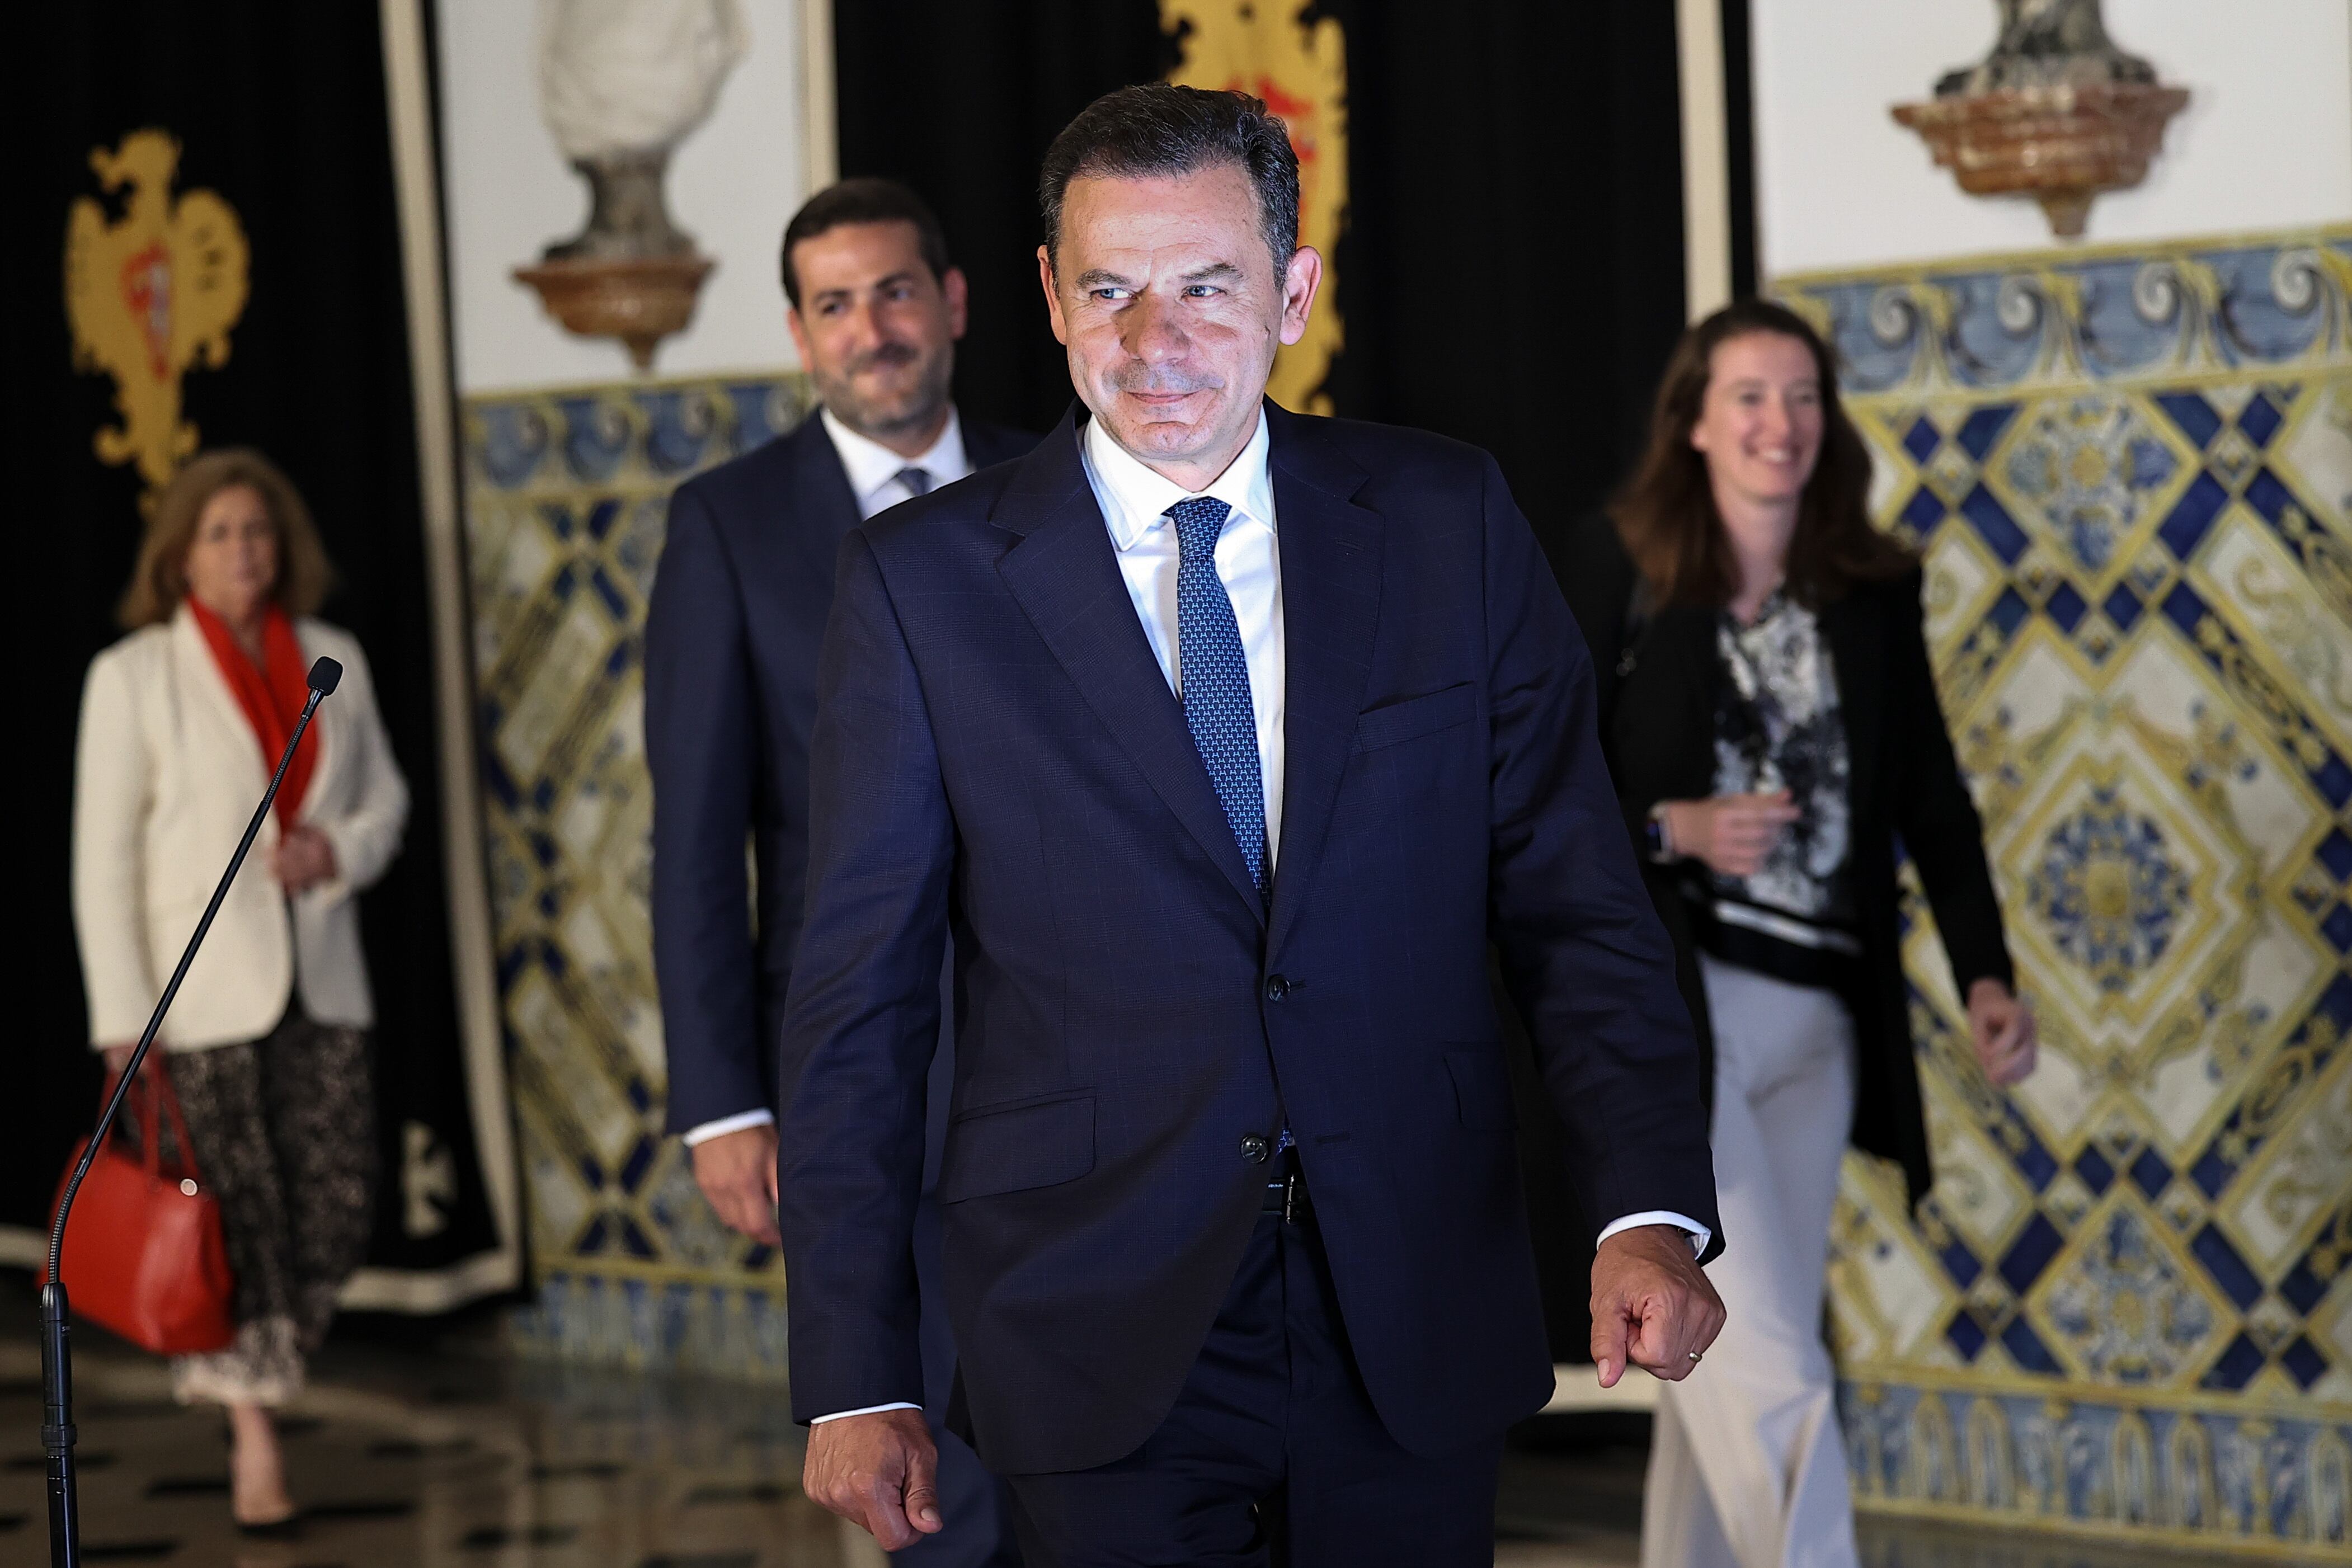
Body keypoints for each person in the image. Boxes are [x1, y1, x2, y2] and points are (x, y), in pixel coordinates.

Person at [778, 84, 1727, 1567]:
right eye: (1110, 288)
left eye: (1208, 287)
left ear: (1293, 293)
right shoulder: (920, 584)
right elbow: (858, 1001)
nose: (1152, 340)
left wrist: (1646, 1207)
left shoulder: (1446, 521)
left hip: (1411, 1287)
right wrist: (857, 1369)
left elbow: (1576, 900)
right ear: (1049, 297)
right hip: (1086, 1315)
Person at [1559, 299, 2038, 1568]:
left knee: (1720, 1361)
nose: (1781, 422)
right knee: (1775, 1367)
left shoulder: (1868, 593)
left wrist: (1985, 972)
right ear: (1695, 422)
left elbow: (1929, 794)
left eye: (1803, 396)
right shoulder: (1619, 568)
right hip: (1683, 1020)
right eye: (1751, 397)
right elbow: (1541, 793)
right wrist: (1671, 827)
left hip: (1822, 1021)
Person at [643, 177, 1035, 1565]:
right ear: (800, 334)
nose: (872, 329)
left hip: (1067, 1028)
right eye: (835, 304)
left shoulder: (1061, 477)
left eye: (895, 291)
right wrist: (722, 1102)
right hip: (859, 1058)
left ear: (955, 302)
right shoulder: (728, 526)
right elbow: (696, 842)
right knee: (923, 1451)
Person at [71, 449, 408, 1534]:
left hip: (323, 981)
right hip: (196, 999)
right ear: (179, 554)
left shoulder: (335, 656)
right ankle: (252, 1436)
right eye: (218, 533)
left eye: (257, 529)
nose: (242, 550)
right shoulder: (132, 675)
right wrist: (123, 1018)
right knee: (235, 1224)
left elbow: (386, 803)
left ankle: (252, 1381)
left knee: (333, 1206)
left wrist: (336, 852)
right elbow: (101, 862)